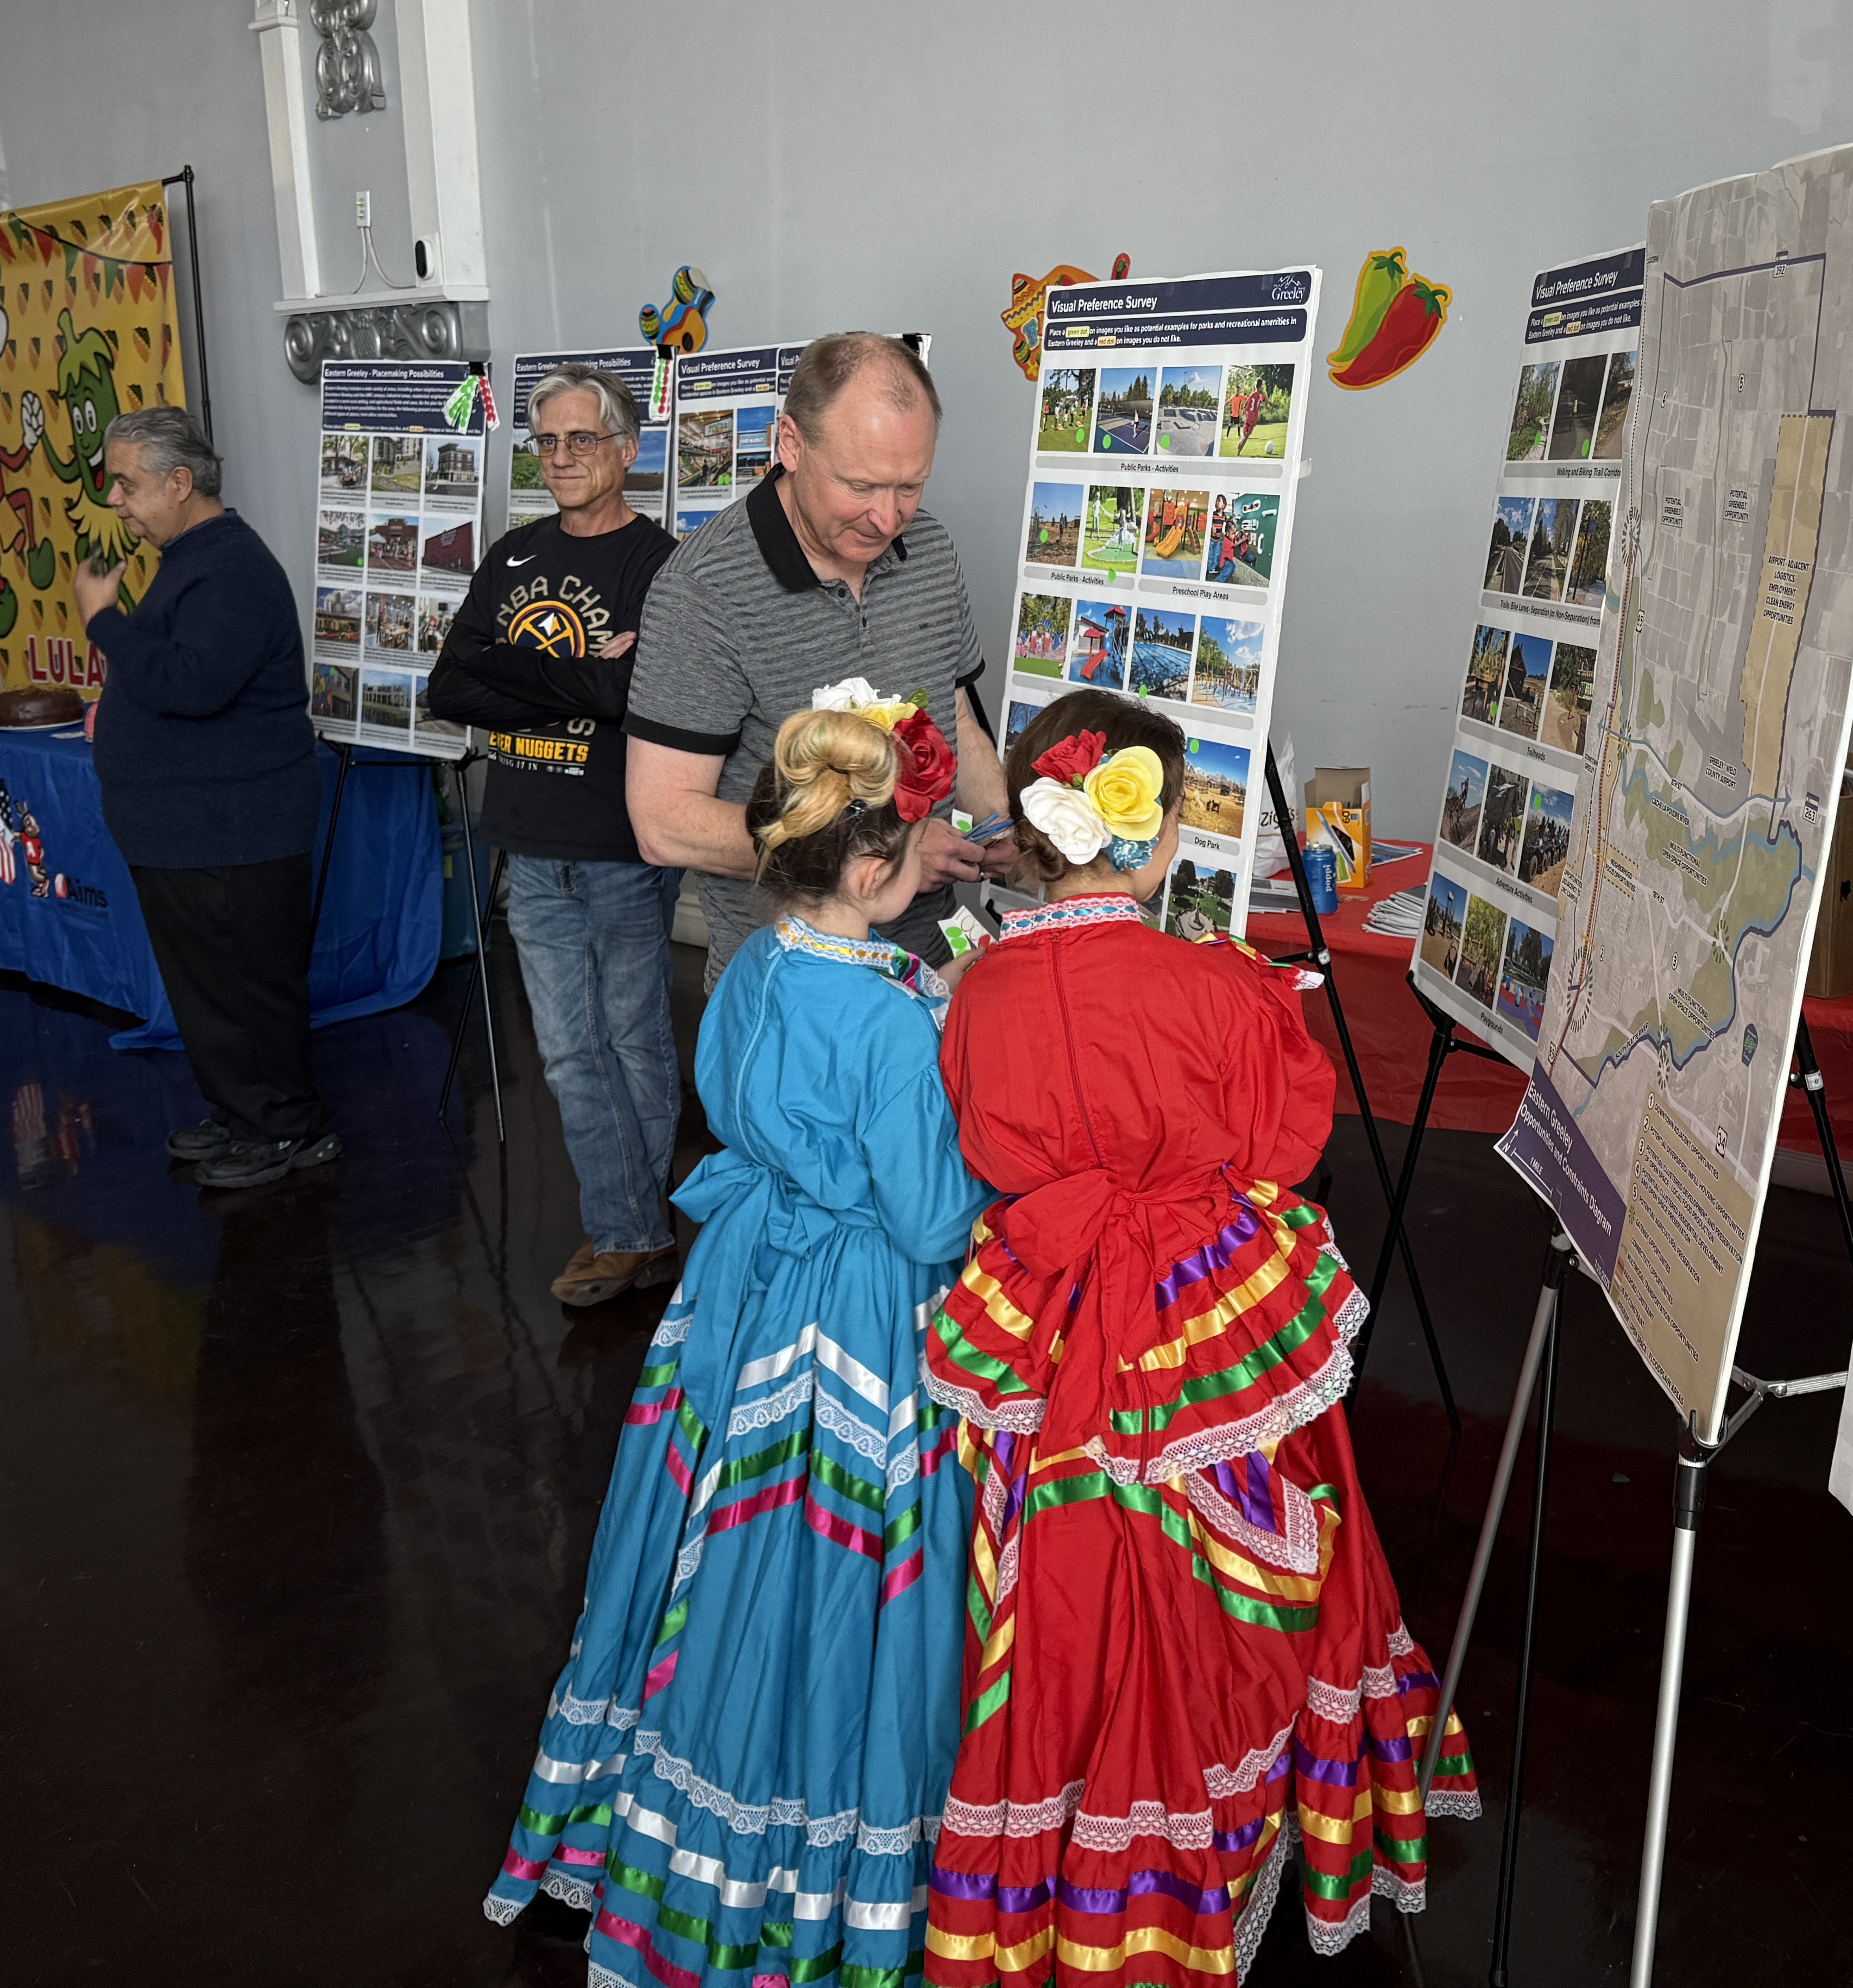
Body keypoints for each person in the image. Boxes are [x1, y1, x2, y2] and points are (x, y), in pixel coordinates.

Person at [922, 688, 1476, 1983]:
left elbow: (980, 1143)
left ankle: (1076, 1801)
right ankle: (1230, 1789)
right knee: (1257, 1543)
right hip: (1200, 1306)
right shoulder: (1219, 987)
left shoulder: (977, 992)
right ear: (1160, 838)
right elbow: (1283, 1150)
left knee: (1057, 1557)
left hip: (1047, 1304)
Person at [483, 700, 993, 1983]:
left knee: (708, 1524)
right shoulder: (888, 1022)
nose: (934, 858)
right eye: (923, 844)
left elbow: (739, 1105)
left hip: (742, 1286)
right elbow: (931, 1217)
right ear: (872, 870)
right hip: (859, 1305)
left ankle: (656, 1803)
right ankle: (800, 1838)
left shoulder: (751, 959)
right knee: (829, 1559)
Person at [623, 332, 1012, 983]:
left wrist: (1005, 826)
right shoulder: (703, 590)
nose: (887, 519)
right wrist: (894, 853)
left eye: (910, 487)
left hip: (931, 973)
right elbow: (666, 824)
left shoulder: (933, 552)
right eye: (860, 485)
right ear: (792, 445)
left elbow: (958, 723)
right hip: (793, 993)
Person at [426, 367, 687, 1307]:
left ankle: (629, 1228)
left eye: (582, 439)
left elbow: (632, 696)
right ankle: (631, 1228)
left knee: (632, 1039)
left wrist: (516, 662)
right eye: (548, 442)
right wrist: (575, 664)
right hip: (526, 838)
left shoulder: (660, 566)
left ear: (625, 448)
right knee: (569, 1052)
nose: (564, 457)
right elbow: (449, 685)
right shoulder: (512, 556)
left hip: (620, 841)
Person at [73, 406, 330, 1192]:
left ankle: (289, 1129)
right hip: (194, 831)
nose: (115, 499)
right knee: (211, 991)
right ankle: (243, 1114)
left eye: (127, 482)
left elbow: (193, 684)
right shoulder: (194, 559)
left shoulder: (231, 568)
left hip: (234, 829)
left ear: (180, 484)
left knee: (246, 987)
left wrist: (103, 622)